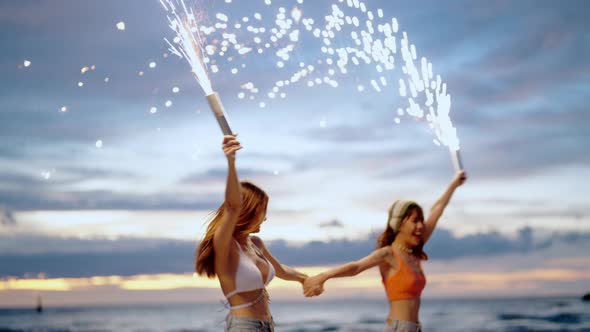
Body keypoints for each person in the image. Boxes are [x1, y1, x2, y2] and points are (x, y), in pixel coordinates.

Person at [303, 171, 467, 332]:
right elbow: (356, 267)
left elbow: (437, 209)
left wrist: (454, 184)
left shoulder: (413, 251)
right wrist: (324, 276)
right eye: (415, 221)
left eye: (421, 221)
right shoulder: (388, 254)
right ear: (399, 224)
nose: (420, 226)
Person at [196, 134, 308, 332]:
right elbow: (232, 206)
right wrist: (231, 161)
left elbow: (280, 270)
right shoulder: (225, 244)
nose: (265, 218)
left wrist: (305, 279)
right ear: (248, 211)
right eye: (262, 212)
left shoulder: (255, 243)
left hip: (267, 326)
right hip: (244, 327)